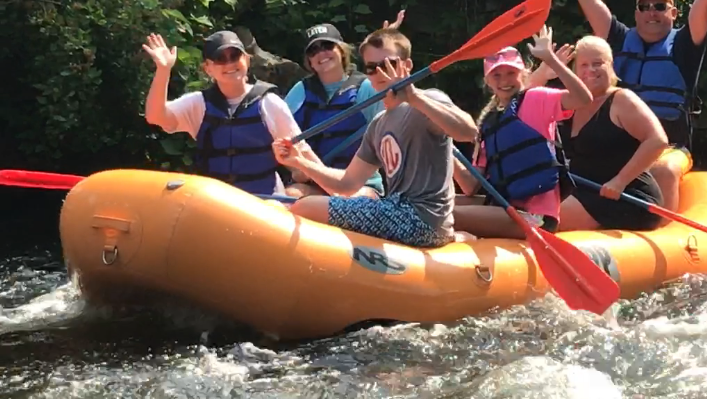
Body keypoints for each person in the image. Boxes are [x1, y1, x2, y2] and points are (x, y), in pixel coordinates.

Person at [560, 0, 707, 211]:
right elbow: (589, 0)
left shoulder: (684, 45)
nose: (651, 12)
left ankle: (665, 227)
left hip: (670, 146)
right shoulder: (619, 39)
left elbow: (705, 3)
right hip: (620, 143)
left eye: (660, 6)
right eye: (645, 6)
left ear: (673, 13)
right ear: (636, 13)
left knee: (663, 170)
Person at [272, 28, 478, 247]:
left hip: (423, 219)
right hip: (395, 210)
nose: (379, 73)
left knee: (307, 207)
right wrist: (299, 161)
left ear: (407, 66)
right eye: (371, 68)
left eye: (388, 64)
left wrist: (414, 97)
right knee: (302, 203)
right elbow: (347, 184)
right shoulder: (378, 124)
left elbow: (469, 132)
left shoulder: (429, 101)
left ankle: (450, 236)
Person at [452, 26, 593, 238]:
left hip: (536, 217)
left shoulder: (536, 98)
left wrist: (551, 60)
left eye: (511, 73)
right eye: (496, 75)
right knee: (437, 203)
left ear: (524, 73)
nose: (504, 81)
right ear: (487, 81)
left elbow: (583, 99)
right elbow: (470, 186)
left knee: (447, 214)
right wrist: (445, 146)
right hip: (506, 209)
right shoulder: (490, 123)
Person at [143, 30, 299, 196]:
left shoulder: (270, 103)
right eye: (220, 59)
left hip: (264, 201)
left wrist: (310, 178)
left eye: (235, 56)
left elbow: (301, 153)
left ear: (246, 59)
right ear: (208, 68)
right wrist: (163, 70)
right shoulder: (198, 104)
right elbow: (155, 116)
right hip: (216, 202)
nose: (229, 64)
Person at [557, 36, 670, 232]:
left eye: (597, 63)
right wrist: (546, 69)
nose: (591, 70)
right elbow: (524, 102)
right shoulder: (570, 103)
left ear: (610, 65)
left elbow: (657, 141)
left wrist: (620, 181)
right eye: (584, 65)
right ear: (575, 71)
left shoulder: (622, 100)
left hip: (627, 196)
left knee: (544, 219)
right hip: (583, 191)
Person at [283, 23, 384, 199]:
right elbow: (280, 136)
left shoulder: (366, 88)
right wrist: (294, 168)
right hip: (315, 182)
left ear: (341, 50)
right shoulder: (301, 90)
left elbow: (390, 132)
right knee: (289, 196)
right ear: (309, 61)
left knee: (346, 201)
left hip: (360, 185)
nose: (321, 53)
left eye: (327, 46)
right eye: (313, 50)